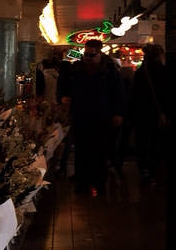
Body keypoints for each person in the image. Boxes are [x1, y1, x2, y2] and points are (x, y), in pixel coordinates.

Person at [58, 38, 126, 196]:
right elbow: (64, 87)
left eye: (91, 55)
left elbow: (119, 94)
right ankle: (82, 180)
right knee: (81, 148)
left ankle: (98, 180)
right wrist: (63, 97)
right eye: (86, 54)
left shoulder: (110, 71)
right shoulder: (77, 69)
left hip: (102, 116)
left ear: (99, 54)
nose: (87, 58)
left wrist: (118, 113)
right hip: (81, 115)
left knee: (99, 149)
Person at [130, 43, 167, 185]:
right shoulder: (163, 71)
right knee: (157, 143)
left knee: (143, 142)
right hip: (158, 114)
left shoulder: (141, 72)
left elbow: (134, 95)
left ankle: (144, 170)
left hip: (142, 113)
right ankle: (154, 170)